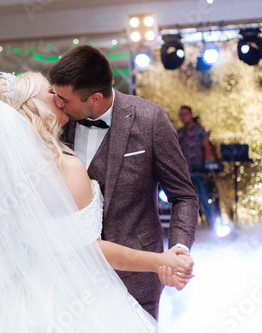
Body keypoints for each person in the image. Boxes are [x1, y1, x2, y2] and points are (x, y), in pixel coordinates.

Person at [0, 72, 193, 332]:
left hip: (7, 286)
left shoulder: (8, 173)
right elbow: (90, 250)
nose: (57, 96)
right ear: (35, 106)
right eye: (50, 91)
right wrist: (159, 261)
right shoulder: (67, 167)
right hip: (73, 292)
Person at [49, 45, 199, 320]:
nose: (57, 103)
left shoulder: (151, 120)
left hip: (137, 272)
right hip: (72, 274)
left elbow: (184, 197)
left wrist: (178, 248)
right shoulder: (56, 121)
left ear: (94, 98)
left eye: (64, 99)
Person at [177, 105, 221, 226]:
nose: (183, 117)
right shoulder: (180, 132)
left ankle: (212, 223)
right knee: (186, 198)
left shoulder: (199, 129)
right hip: (185, 170)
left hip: (198, 168)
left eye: (185, 114)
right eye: (181, 114)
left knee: (203, 194)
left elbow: (206, 147)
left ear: (191, 115)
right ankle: (188, 225)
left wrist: (206, 165)